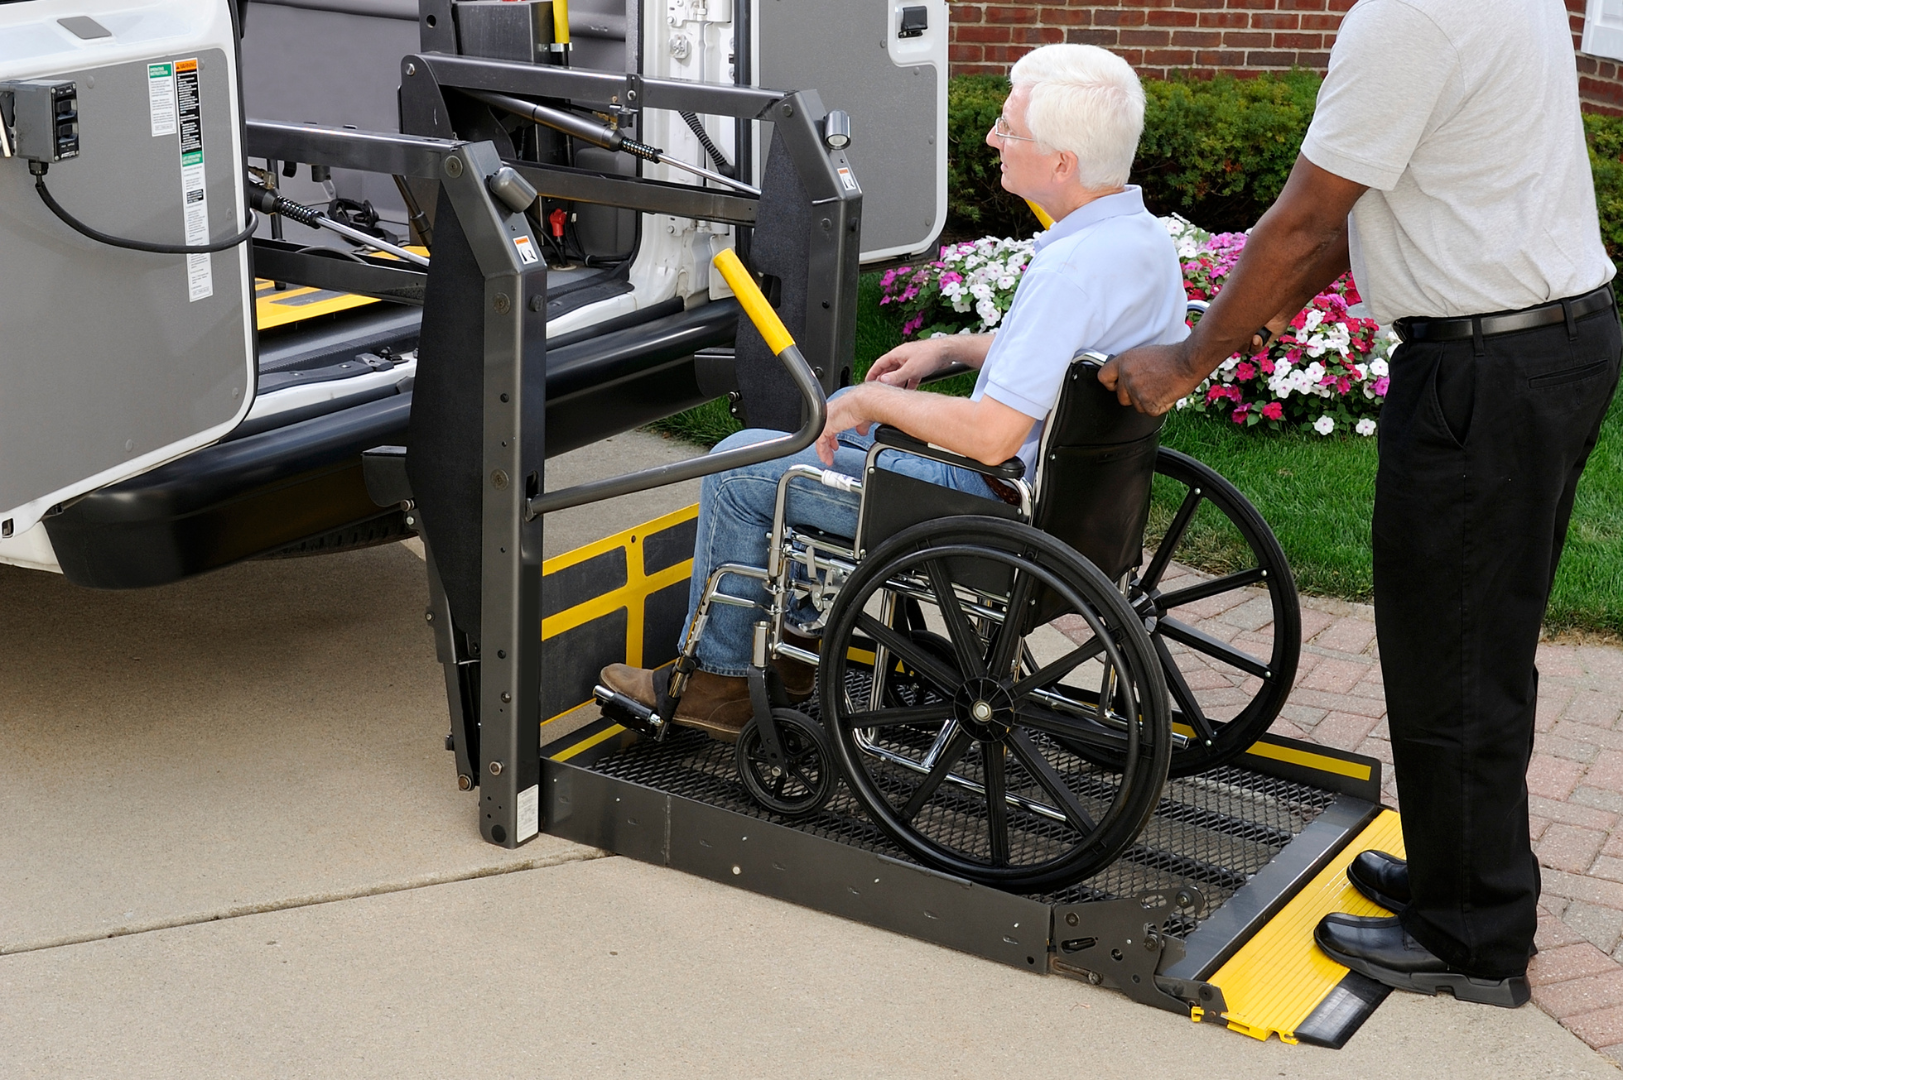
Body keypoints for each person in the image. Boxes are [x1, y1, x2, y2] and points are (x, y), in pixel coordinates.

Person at [1100, 0, 1621, 1008]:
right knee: (1479, 642)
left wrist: (1188, 359)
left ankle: (1472, 939)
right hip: (1554, 343)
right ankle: (1459, 875)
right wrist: (1268, 293)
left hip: (1484, 367)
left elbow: (1307, 215)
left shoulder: (1406, 17)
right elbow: (1372, 202)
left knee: (1452, 654)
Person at [600, 43, 1189, 740]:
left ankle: (720, 684)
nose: (994, 139)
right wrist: (949, 348)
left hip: (986, 503)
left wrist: (868, 402)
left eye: (1009, 129)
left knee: (741, 465)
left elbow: (993, 436)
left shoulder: (1070, 269)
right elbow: (1068, 359)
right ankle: (793, 653)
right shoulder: (1139, 241)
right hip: (1075, 506)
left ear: (1062, 163)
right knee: (833, 443)